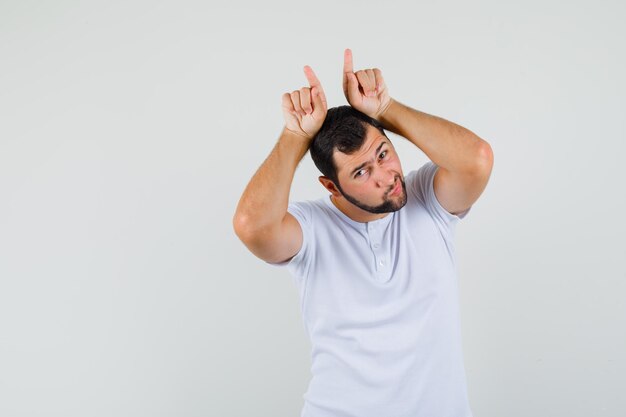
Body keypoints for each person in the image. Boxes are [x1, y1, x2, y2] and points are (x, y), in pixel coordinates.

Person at [233, 48, 493, 417]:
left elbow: (477, 160)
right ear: (332, 187)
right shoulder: (311, 230)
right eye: (360, 172)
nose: (386, 177)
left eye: (384, 154)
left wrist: (386, 108)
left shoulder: (428, 200)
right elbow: (251, 227)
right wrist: (295, 135)